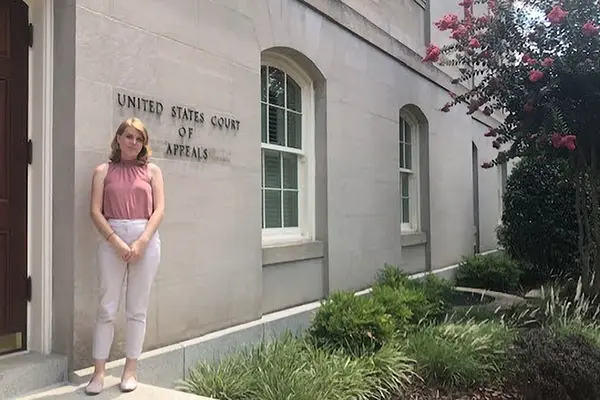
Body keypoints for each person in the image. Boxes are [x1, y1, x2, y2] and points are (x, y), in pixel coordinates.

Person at [86, 117, 164, 395]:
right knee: (107, 307)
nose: (133, 142)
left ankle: (130, 371)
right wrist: (115, 241)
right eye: (128, 136)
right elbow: (95, 211)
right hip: (112, 236)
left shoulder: (152, 171)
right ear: (118, 139)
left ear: (144, 144)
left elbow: (159, 210)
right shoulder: (102, 171)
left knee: (137, 309)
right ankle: (98, 373)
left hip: (146, 237)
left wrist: (143, 240)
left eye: (139, 138)